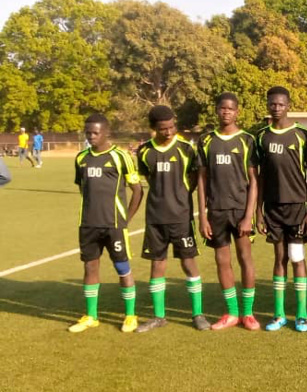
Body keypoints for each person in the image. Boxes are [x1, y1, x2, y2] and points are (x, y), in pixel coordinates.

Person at [130, 105, 207, 332]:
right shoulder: (144, 152)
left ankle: (198, 314)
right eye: (163, 129)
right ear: (154, 128)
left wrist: (180, 196)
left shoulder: (185, 149)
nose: (169, 132)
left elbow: (193, 179)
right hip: (155, 218)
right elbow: (150, 180)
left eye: (172, 126)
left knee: (188, 262)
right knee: (157, 265)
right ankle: (159, 316)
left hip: (181, 217)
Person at [69, 114, 141, 333]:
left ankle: (130, 315)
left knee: (122, 268)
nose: (91, 136)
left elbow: (137, 190)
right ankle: (91, 316)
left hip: (114, 225)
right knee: (90, 267)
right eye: (88, 132)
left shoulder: (121, 157)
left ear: (106, 132)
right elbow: (83, 188)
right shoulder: (81, 158)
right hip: (88, 224)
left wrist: (125, 219)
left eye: (95, 133)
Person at [255, 86, 307, 332]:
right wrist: (259, 212)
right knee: (279, 257)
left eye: (281, 104)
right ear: (268, 105)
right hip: (272, 208)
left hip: (297, 208)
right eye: (272, 104)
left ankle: (301, 314)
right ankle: (278, 314)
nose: (276, 108)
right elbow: (258, 177)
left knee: (297, 258)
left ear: (288, 105)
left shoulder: (302, 135)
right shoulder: (261, 137)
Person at [198, 92, 260, 331]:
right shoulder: (205, 141)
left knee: (245, 258)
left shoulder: (247, 140)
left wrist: (248, 215)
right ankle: (232, 313)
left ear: (237, 112)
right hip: (216, 211)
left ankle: (248, 313)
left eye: (230, 109)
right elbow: (202, 180)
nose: (226, 112)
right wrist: (203, 215)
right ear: (216, 110)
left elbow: (254, 181)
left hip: (240, 210)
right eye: (222, 108)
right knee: (222, 260)